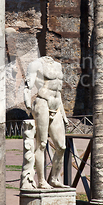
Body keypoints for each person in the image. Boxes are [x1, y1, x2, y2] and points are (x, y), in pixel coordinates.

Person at [24, 56, 68, 189]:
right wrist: (28, 105)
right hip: (42, 103)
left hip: (57, 105)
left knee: (61, 146)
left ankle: (54, 178)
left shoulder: (58, 65)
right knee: (41, 144)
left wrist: (64, 114)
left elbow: (58, 91)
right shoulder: (35, 64)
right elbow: (28, 86)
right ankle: (42, 181)